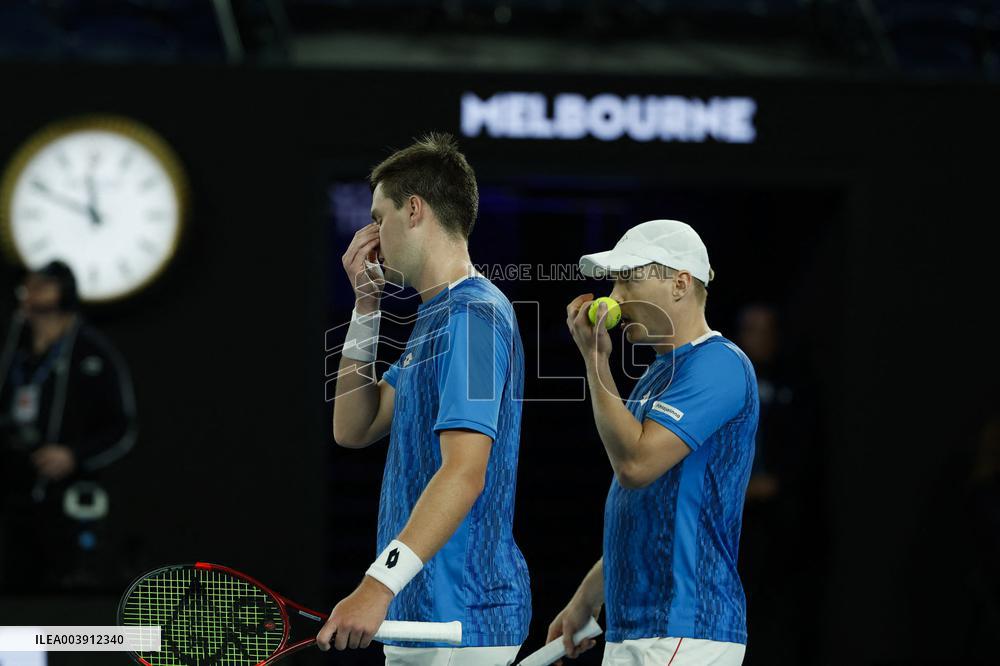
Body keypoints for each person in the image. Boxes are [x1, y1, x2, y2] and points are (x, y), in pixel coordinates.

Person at [320, 133, 531, 666]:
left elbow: (465, 471)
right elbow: (353, 427)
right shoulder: (435, 317)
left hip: (462, 622)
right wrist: (366, 308)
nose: (369, 235)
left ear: (414, 210)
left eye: (378, 216)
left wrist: (376, 585)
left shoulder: (474, 318)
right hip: (422, 620)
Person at [546, 220, 759, 666]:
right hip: (643, 630)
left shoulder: (721, 365)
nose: (615, 295)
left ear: (680, 284)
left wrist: (596, 360)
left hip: (684, 629)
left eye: (628, 278)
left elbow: (636, 466)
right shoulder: (658, 373)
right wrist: (589, 597)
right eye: (614, 281)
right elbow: (649, 509)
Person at [0, 260, 137, 591]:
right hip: (11, 495)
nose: (30, 293)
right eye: (27, 286)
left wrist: (74, 455)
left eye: (42, 285)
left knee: (60, 596)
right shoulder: (11, 352)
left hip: (66, 500)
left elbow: (122, 427)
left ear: (66, 292)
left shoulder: (92, 353)